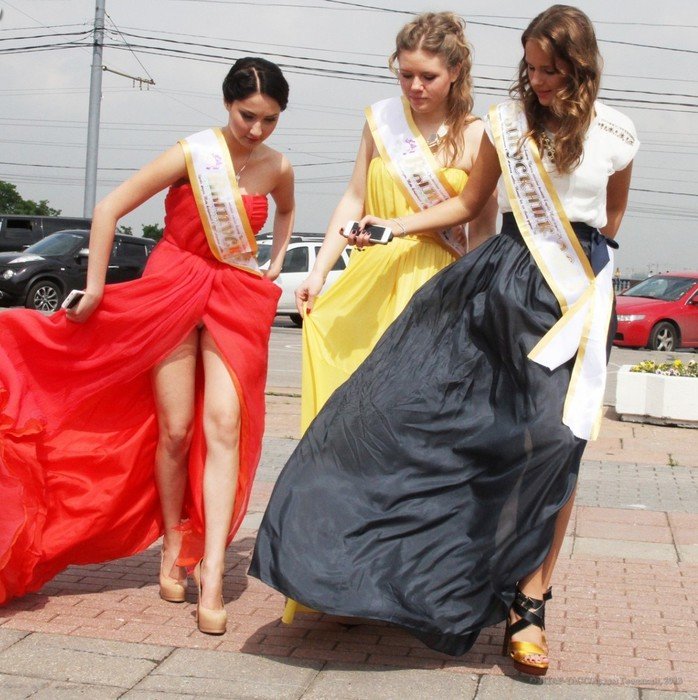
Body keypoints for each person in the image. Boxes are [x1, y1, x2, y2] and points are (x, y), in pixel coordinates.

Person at [250, 4, 638, 676]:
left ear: (580, 67)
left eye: (550, 70)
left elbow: (611, 220)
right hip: (507, 284)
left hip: (576, 296)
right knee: (444, 423)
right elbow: (467, 205)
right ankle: (438, 572)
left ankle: (531, 603)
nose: (537, 81)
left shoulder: (619, 133)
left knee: (559, 441)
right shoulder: (507, 123)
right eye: (530, 68)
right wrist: (392, 227)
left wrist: (586, 281)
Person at [0, 57, 294, 636]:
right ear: (227, 104)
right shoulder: (193, 154)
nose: (256, 130)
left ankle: (213, 571)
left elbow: (285, 212)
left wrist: (277, 260)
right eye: (247, 116)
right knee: (176, 431)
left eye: (269, 120)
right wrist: (95, 288)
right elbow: (109, 208)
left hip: (235, 294)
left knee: (225, 425)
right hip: (171, 290)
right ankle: (172, 545)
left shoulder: (278, 167)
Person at [281, 10, 497, 624]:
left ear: (456, 71)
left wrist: (478, 303)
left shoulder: (478, 136)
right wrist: (320, 271)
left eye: (428, 76)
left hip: (437, 292)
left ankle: (409, 584)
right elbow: (354, 197)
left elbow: (482, 228)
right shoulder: (380, 120)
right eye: (406, 75)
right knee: (353, 430)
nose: (415, 87)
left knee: (419, 440)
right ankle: (342, 577)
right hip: (370, 285)